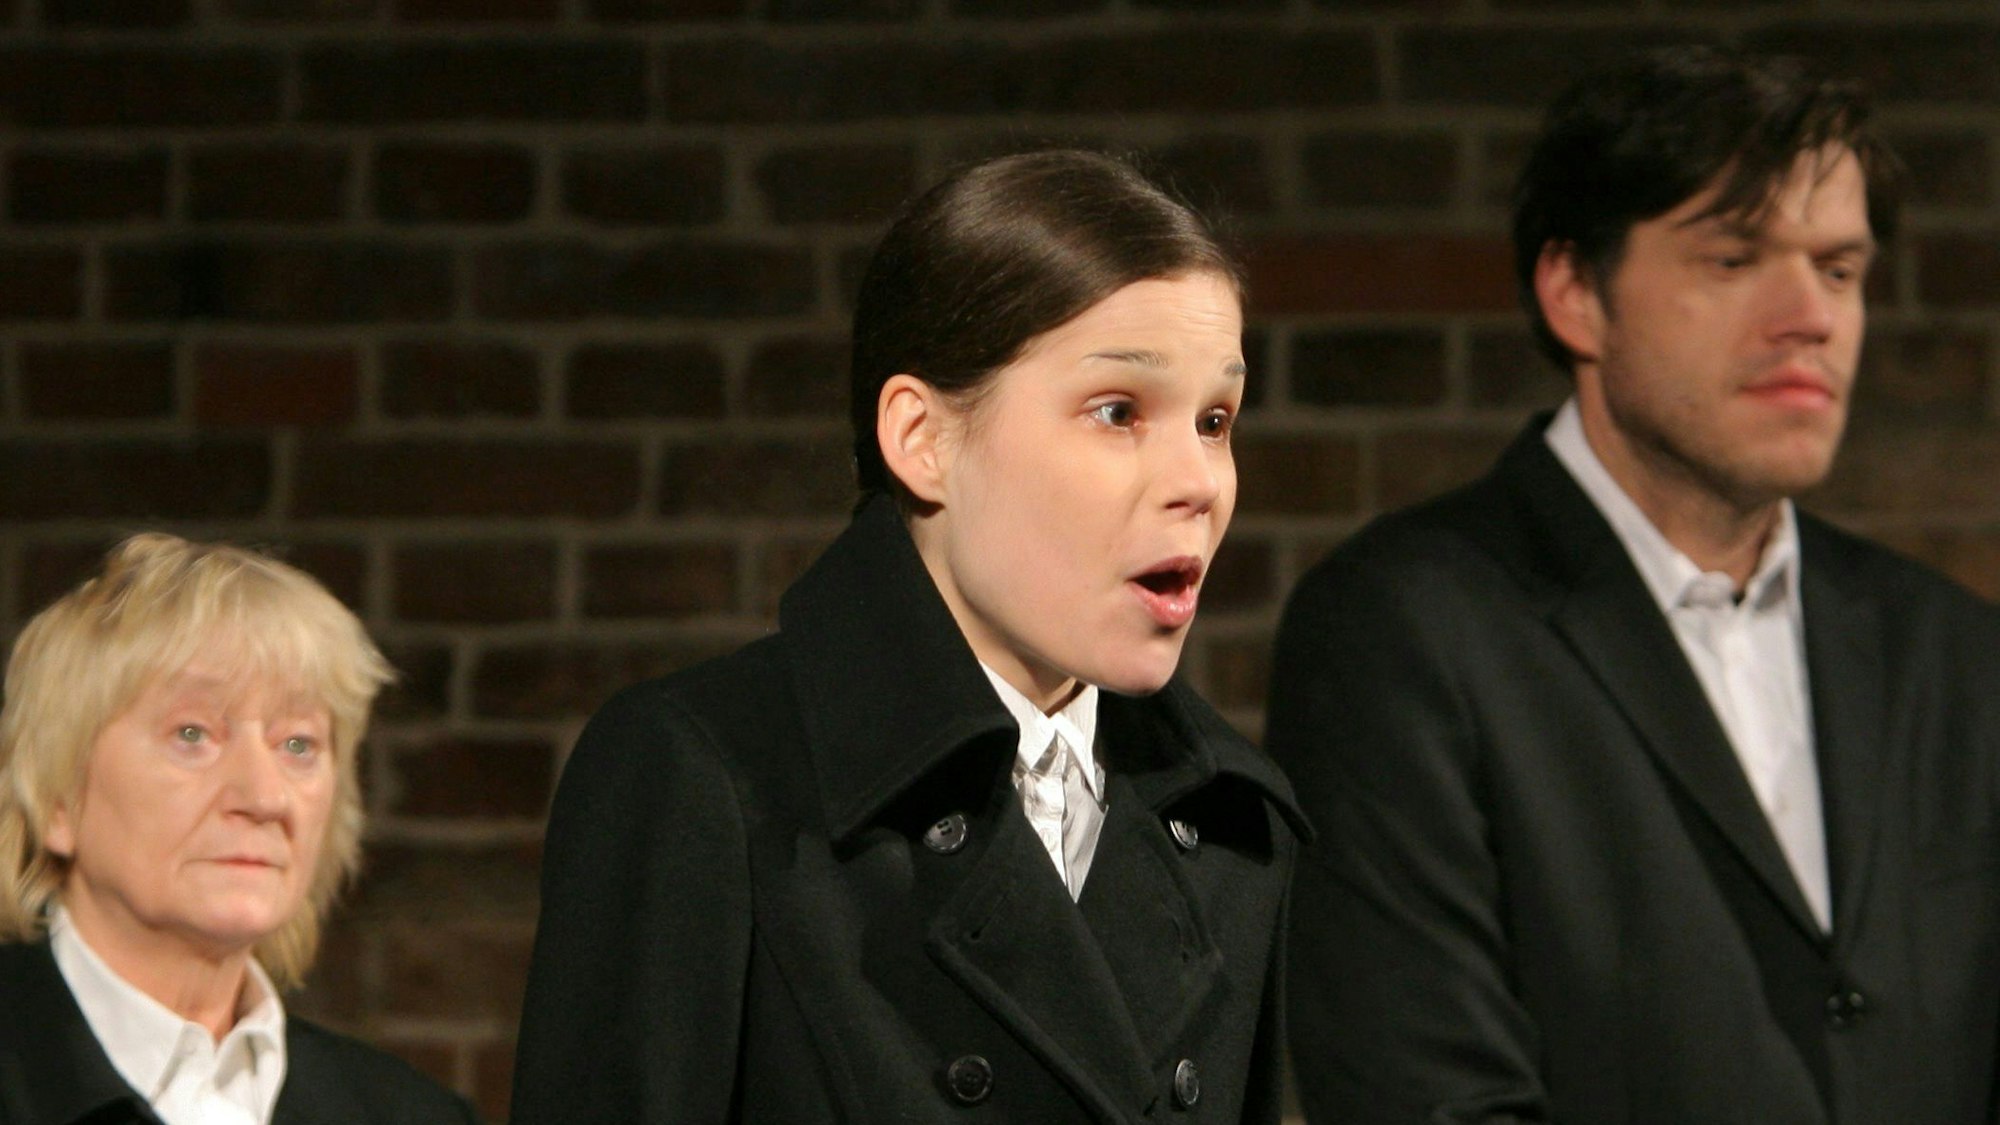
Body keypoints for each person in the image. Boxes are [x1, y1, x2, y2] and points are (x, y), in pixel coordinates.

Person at [1269, 45, 2000, 1125]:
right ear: (1574, 294)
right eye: (1733, 259)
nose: (1809, 314)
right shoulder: (1399, 629)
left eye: (1838, 269)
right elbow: (1424, 1097)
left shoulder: (1950, 646)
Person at [510, 149, 1307, 1123]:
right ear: (921, 439)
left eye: (1215, 418)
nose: (1199, 482)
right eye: (1118, 412)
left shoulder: (1230, 825)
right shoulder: (710, 779)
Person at [0, 534, 479, 1125]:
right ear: (56, 800)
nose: (265, 796)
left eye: (298, 744)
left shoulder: (417, 1118)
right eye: (193, 734)